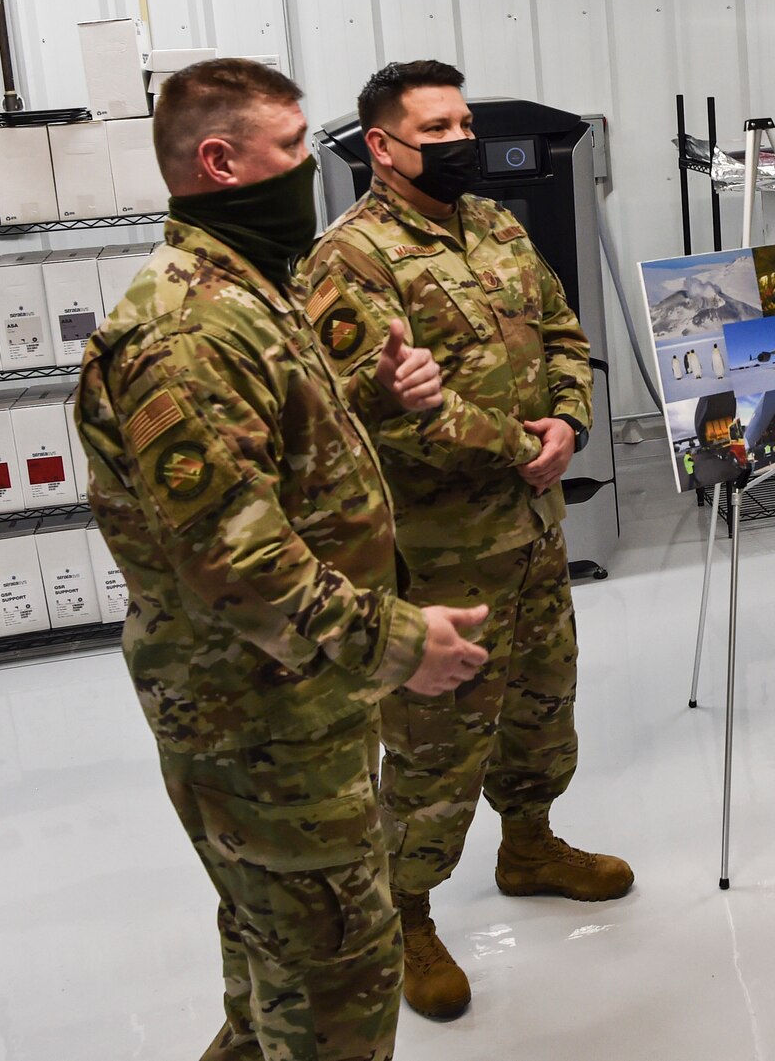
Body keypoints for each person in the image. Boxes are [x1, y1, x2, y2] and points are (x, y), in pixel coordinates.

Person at [75, 58, 490, 1061]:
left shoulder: (249, 292)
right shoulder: (187, 329)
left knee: (274, 954)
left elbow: (284, 463)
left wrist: (384, 396)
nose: (313, 166)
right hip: (255, 712)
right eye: (295, 145)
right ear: (221, 161)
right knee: (336, 980)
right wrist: (398, 642)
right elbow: (234, 558)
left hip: (296, 702)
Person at [304, 60, 629, 1022]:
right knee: (435, 742)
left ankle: (529, 843)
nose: (458, 141)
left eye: (462, 123)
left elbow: (567, 334)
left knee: (541, 702)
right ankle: (404, 913)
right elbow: (376, 413)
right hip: (437, 552)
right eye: (434, 128)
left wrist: (568, 423)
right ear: (382, 146)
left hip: (533, 529)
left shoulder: (493, 225)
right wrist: (520, 447)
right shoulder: (349, 259)